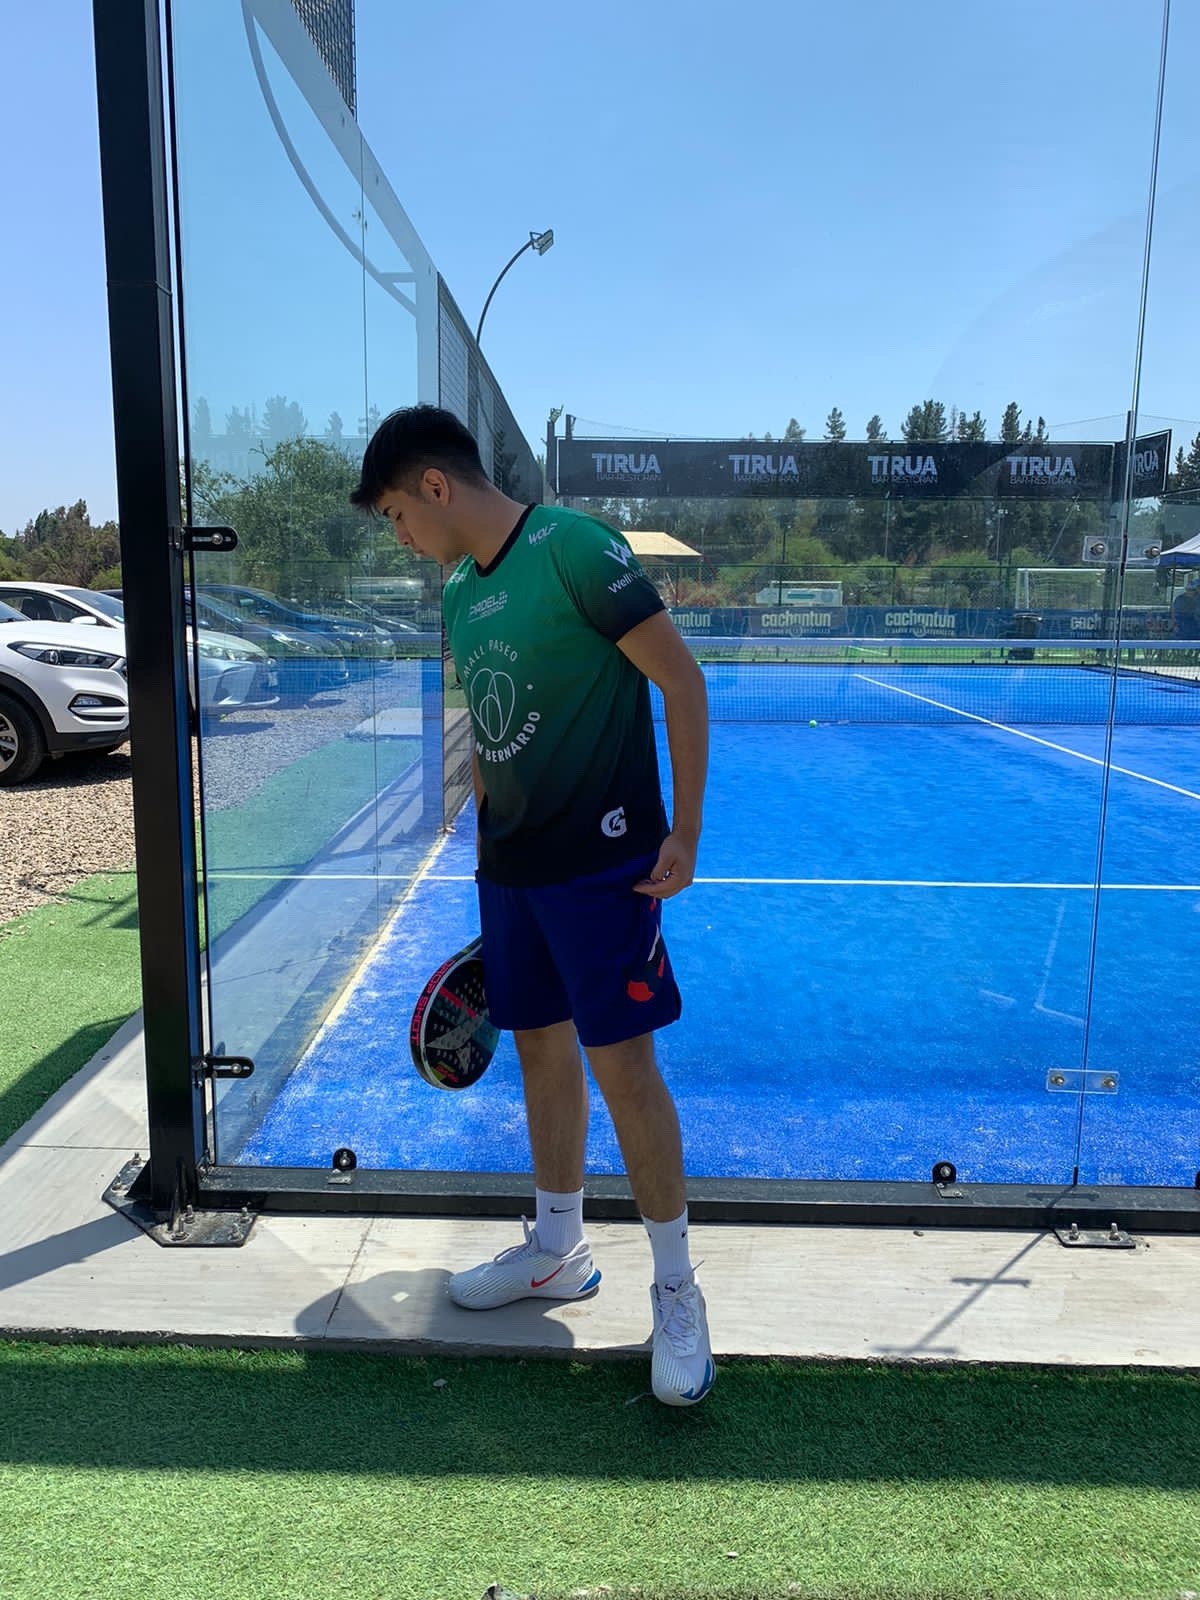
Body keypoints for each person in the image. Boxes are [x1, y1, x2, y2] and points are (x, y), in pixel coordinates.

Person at [352, 406, 714, 1407]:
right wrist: (487, 857)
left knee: (625, 1070)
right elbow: (490, 733)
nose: (401, 537)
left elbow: (682, 683)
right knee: (541, 1053)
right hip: (511, 875)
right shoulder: (461, 594)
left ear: (435, 486)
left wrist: (685, 833)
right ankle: (558, 1251)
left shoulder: (575, 549)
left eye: (396, 514)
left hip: (606, 872)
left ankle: (677, 1289)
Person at [1170, 574, 1200, 640]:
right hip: (1182, 626)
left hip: (1197, 626)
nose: (1190, 591)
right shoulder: (1179, 599)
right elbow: (1174, 612)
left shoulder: (1198, 599)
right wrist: (1174, 625)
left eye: (1193, 590)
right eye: (1189, 589)